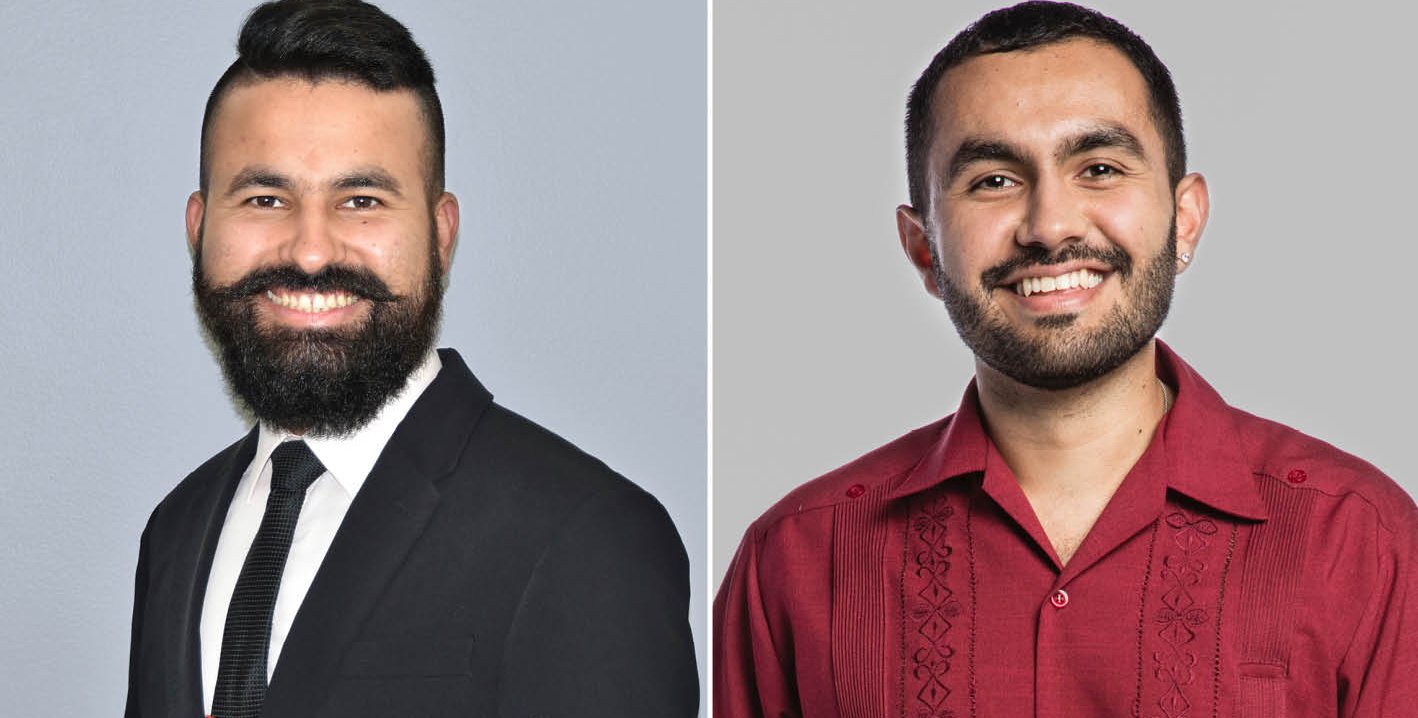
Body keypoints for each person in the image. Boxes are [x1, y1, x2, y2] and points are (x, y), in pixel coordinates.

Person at [713, 2, 1417, 716]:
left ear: (1187, 220)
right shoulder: (797, 560)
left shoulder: (1359, 543)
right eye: (993, 180)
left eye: (1100, 167)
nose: (1049, 226)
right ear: (924, 248)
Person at [124, 2, 698, 716]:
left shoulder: (587, 535)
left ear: (441, 233)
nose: (310, 250)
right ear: (200, 227)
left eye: (361, 200)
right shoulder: (176, 531)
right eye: (265, 198)